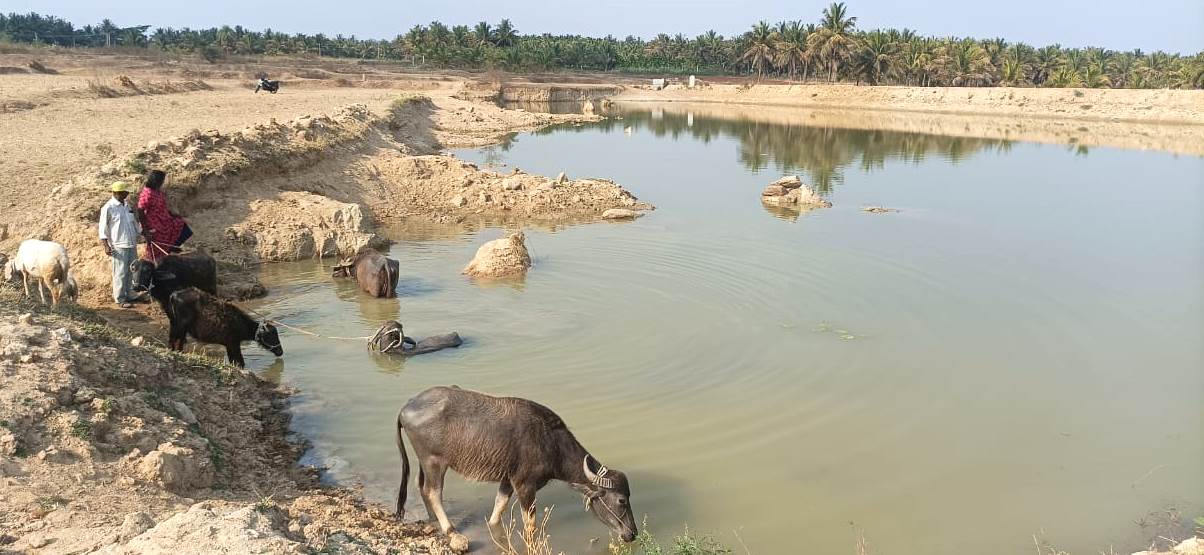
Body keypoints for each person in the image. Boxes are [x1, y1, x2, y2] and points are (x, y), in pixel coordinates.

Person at [99, 181, 142, 308]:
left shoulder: (127, 205)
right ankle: (120, 298)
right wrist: (106, 245)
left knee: (132, 270)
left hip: (131, 243)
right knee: (120, 272)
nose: (127, 194)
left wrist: (142, 232)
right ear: (117, 192)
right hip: (119, 245)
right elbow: (103, 228)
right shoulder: (108, 207)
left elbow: (133, 223)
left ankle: (131, 294)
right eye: (125, 192)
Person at [136, 169, 191, 262]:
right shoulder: (147, 193)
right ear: (157, 181)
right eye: (162, 180)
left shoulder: (157, 191)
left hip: (164, 219)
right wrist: (145, 230)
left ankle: (171, 248)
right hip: (154, 223)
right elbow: (140, 210)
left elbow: (162, 206)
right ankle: (154, 262)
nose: (163, 182)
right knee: (157, 246)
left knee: (181, 225)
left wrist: (172, 214)